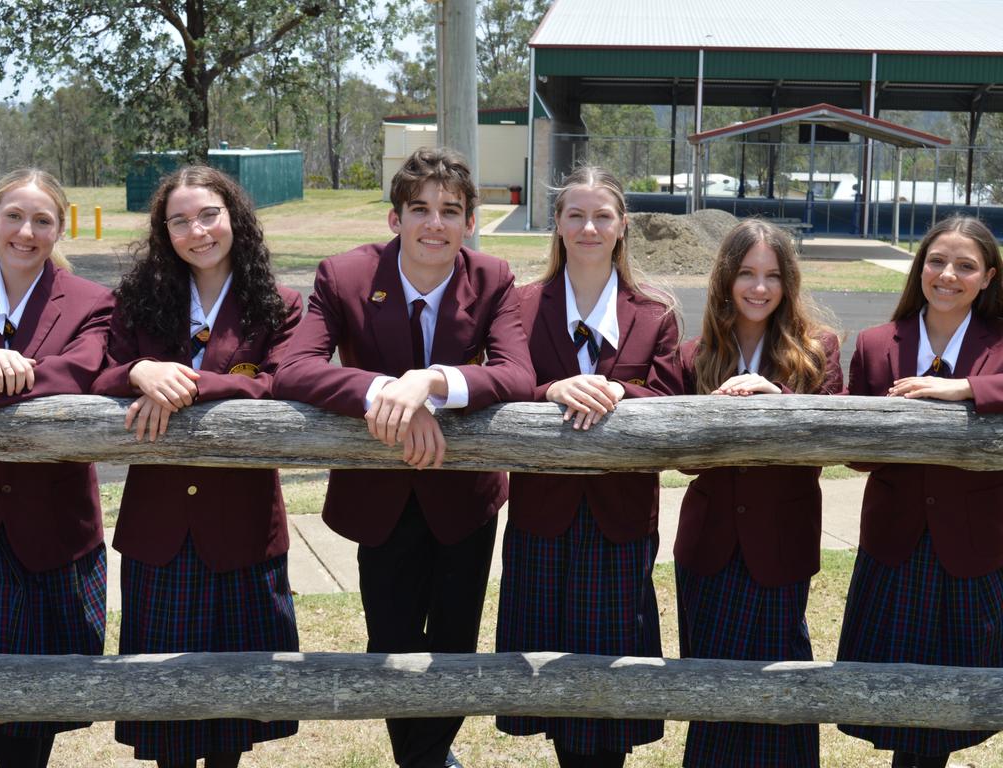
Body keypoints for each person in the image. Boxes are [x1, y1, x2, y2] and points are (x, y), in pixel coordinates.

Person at [273, 147, 534, 768]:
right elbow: (294, 369)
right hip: (380, 497)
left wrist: (432, 382)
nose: (434, 224)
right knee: (389, 643)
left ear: (471, 221)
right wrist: (386, 391)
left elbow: (517, 374)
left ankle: (428, 758)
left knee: (454, 642)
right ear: (395, 219)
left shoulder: (493, 277)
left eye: (450, 210)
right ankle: (424, 761)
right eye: (419, 209)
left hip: (462, 497)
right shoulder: (344, 275)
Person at [91, 165, 302, 768]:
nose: (197, 230)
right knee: (168, 709)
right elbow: (96, 370)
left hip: (242, 529)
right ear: (165, 231)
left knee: (234, 710)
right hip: (160, 530)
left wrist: (181, 381)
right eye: (179, 220)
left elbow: (280, 382)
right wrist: (138, 372)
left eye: (208, 214)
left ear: (233, 216)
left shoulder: (278, 304)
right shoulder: (138, 299)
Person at [495, 166, 679, 768]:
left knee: (610, 674)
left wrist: (623, 391)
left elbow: (675, 398)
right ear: (557, 224)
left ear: (624, 226)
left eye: (603, 215)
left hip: (620, 520)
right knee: (548, 674)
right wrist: (552, 390)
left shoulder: (655, 313)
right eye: (575, 214)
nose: (589, 226)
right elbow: (504, 382)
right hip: (541, 516)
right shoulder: (520, 305)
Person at [673, 218, 842, 768]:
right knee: (712, 690)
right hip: (708, 547)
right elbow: (672, 444)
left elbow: (835, 435)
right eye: (746, 273)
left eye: (772, 275)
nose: (759, 287)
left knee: (778, 683)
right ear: (726, 279)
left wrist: (780, 398)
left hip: (780, 545)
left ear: (788, 281)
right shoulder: (695, 352)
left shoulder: (818, 350)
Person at [838, 216, 1003, 768]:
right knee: (896, 697)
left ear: (988, 277)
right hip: (895, 545)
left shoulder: (1000, 345)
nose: (948, 275)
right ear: (919, 267)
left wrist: (966, 387)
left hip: (972, 548)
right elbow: (854, 450)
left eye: (966, 266)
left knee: (955, 701)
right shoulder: (876, 342)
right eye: (936, 261)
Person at [0, 169, 113, 768]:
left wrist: (9, 371)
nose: (26, 232)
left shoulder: (92, 300)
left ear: (60, 228)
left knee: (32, 711)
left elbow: (76, 375)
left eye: (42, 220)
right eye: (14, 216)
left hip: (51, 532)